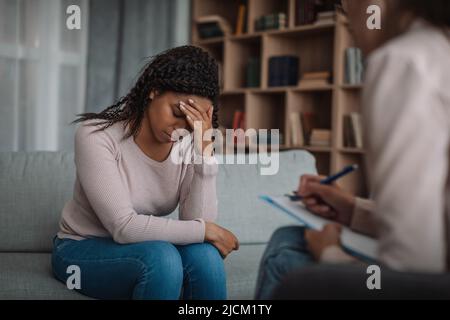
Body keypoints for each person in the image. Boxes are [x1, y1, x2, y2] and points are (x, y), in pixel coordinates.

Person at [255, 0, 450, 299]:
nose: (353, 32)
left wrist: (330, 253)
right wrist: (352, 210)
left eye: (347, 13)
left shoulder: (404, 61)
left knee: (288, 251)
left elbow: (412, 265)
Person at [51, 45, 239, 300]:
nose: (181, 128)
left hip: (142, 246)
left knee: (206, 257)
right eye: (177, 112)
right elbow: (123, 227)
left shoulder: (188, 143)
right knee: (162, 259)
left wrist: (203, 154)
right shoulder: (96, 136)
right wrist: (207, 230)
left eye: (193, 121)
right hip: (81, 247)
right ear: (154, 91)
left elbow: (197, 222)